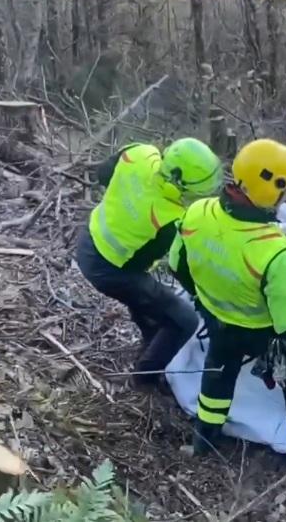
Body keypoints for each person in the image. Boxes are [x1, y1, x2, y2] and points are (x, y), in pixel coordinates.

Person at [167, 138, 286, 478]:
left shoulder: (197, 212)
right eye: (283, 190)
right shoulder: (272, 249)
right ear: (268, 188)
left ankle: (204, 441)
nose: (285, 198)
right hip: (263, 334)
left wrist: (205, 300)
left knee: (218, 373)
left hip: (219, 323)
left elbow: (176, 263)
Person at [75, 138, 223, 392]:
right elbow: (156, 264)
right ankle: (145, 378)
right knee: (184, 319)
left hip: (89, 237)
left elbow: (103, 174)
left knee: (148, 298)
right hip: (108, 268)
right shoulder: (170, 218)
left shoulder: (139, 154)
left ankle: (151, 340)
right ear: (181, 186)